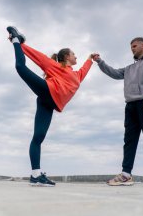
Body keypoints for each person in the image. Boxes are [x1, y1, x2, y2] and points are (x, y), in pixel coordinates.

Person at [6, 26, 94, 187]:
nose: (76, 56)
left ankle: (36, 175)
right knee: (20, 67)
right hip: (47, 90)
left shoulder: (76, 75)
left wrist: (90, 59)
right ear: (67, 56)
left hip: (49, 103)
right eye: (74, 54)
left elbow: (84, 70)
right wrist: (20, 43)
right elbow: (38, 57)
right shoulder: (57, 67)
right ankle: (16, 40)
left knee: (38, 137)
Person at [92, 37, 143, 186]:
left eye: (135, 46)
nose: (133, 49)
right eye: (131, 47)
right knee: (129, 140)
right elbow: (115, 73)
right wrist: (100, 62)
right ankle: (126, 174)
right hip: (130, 105)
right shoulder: (129, 68)